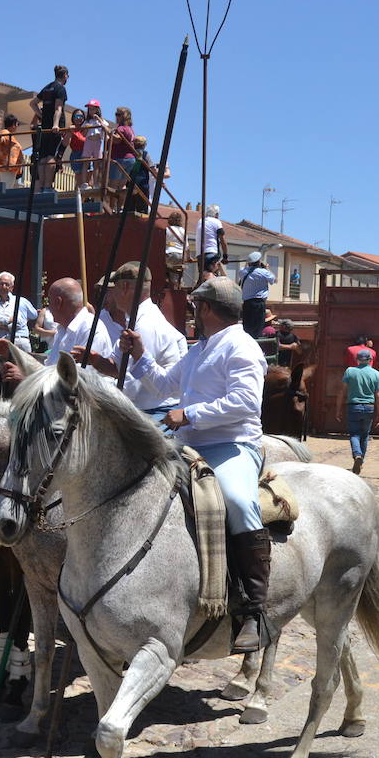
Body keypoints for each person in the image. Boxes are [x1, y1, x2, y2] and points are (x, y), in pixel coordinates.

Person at [116, 276, 271, 653]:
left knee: (237, 500)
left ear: (205, 309)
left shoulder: (243, 348)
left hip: (232, 444)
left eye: (196, 306)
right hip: (188, 443)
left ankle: (253, 610)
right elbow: (164, 385)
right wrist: (139, 355)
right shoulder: (198, 348)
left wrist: (189, 414)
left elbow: (245, 403)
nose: (192, 312)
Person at [101, 263, 189, 420]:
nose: (112, 293)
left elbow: (131, 387)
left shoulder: (144, 325)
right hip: (152, 409)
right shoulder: (140, 319)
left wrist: (94, 391)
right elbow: (117, 365)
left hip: (155, 412)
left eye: (114, 287)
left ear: (125, 287)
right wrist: (95, 360)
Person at [42, 278, 111, 367]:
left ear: (58, 302)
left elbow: (82, 375)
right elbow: (50, 365)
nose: (48, 308)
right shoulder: (62, 330)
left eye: (49, 302)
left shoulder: (90, 329)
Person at [337, 349, 379, 474]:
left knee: (354, 434)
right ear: (370, 360)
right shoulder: (376, 374)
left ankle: (357, 455)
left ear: (357, 360)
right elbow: (378, 395)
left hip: (353, 406)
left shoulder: (350, 371)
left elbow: (342, 392)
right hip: (369, 407)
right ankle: (360, 460)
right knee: (365, 435)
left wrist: (338, 409)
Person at [30, 64, 68, 190]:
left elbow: (33, 103)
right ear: (65, 75)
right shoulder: (60, 89)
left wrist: (42, 115)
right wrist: (56, 124)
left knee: (42, 157)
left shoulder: (47, 88)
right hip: (54, 128)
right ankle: (46, 186)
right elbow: (58, 109)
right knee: (51, 156)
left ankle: (40, 185)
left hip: (45, 127)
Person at [0, 271, 36, 349]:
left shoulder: (17, 301)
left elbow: (19, 322)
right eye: (1, 284)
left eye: (7, 284)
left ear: (11, 288)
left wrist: (1, 325)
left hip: (12, 342)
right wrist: (10, 319)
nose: (4, 287)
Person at [237, 251, 275, 338]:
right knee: (257, 329)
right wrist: (266, 268)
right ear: (259, 262)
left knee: (247, 328)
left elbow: (245, 268)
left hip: (247, 304)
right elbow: (273, 280)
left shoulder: (242, 272)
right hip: (259, 303)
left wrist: (248, 263)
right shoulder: (264, 272)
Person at [106, 106, 137, 208]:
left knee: (113, 186)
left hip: (120, 159)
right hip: (131, 159)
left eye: (118, 114)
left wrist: (106, 129)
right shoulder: (131, 129)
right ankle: (119, 208)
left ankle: (112, 209)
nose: (116, 116)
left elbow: (117, 139)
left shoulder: (121, 128)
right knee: (122, 186)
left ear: (123, 117)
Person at [79, 100, 108, 190]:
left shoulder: (102, 121)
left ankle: (95, 183)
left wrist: (98, 119)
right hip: (89, 141)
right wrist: (86, 128)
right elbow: (83, 134)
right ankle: (84, 183)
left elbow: (106, 128)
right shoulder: (87, 121)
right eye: (89, 109)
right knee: (86, 162)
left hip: (98, 142)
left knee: (96, 164)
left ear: (97, 110)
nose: (91, 111)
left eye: (92, 109)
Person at [0, 113, 25, 186]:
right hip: (7, 167)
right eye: (17, 124)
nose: (17, 126)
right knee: (7, 188)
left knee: (8, 187)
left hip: (10, 168)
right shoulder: (5, 133)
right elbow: (0, 140)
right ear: (13, 124)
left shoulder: (9, 134)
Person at [199, 205, 226, 275]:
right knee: (213, 279)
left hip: (200, 254)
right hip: (211, 253)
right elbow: (222, 240)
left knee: (203, 277)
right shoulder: (216, 221)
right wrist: (225, 256)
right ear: (216, 214)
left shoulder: (200, 221)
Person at [66, 108, 86, 177]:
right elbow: (65, 143)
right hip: (76, 154)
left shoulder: (86, 128)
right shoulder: (70, 129)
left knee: (88, 177)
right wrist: (70, 132)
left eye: (81, 116)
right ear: (73, 118)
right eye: (77, 116)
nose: (79, 118)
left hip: (87, 154)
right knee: (79, 178)